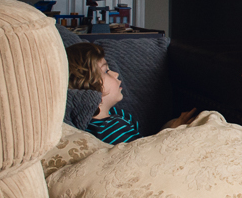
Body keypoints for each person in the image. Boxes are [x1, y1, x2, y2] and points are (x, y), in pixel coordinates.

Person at [65, 42, 196, 144]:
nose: (115, 74)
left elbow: (141, 142)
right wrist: (171, 132)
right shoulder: (107, 131)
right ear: (87, 84)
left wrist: (171, 126)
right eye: (105, 71)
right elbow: (139, 156)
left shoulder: (116, 114)